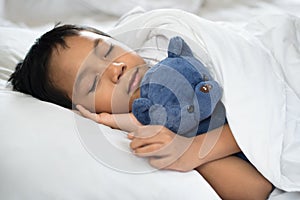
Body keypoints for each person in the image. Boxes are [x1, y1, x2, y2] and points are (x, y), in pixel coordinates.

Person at [9, 24, 273, 199]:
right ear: (83, 111)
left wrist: (195, 147)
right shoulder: (154, 130)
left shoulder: (167, 47)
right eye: (92, 83)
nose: (115, 68)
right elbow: (257, 189)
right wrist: (185, 149)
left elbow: (265, 96)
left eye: (108, 50)